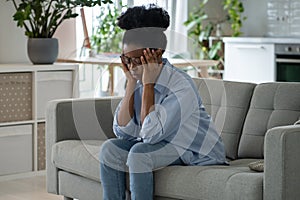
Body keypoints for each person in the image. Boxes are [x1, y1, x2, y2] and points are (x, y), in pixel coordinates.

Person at [99, 4, 227, 200]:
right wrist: (132, 84)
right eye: (126, 60)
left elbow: (150, 136)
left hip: (194, 151)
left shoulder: (180, 86)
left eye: (136, 60)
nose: (131, 67)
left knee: (140, 154)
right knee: (110, 148)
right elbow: (123, 131)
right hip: (164, 144)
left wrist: (148, 85)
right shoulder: (137, 78)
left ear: (156, 53)